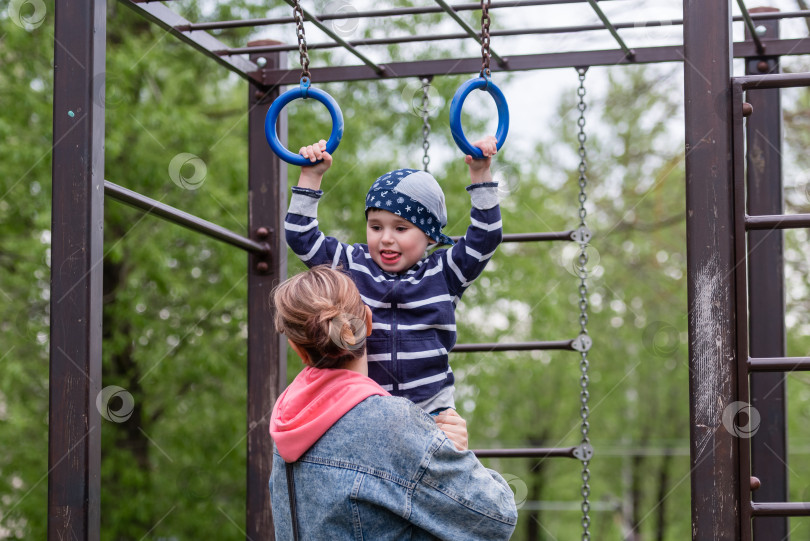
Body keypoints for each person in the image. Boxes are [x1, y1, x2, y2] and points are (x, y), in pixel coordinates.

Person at [269, 265, 518, 540]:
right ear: (368, 319)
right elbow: (498, 518)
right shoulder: (393, 423)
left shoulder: (287, 419)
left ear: (297, 348)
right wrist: (452, 453)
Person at [284, 136, 502, 417]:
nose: (386, 239)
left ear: (430, 237)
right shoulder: (350, 265)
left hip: (431, 408)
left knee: (450, 446)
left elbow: (486, 236)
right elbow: (300, 235)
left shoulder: (443, 274)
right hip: (365, 404)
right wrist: (310, 176)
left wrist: (481, 174)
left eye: (401, 229)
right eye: (376, 227)